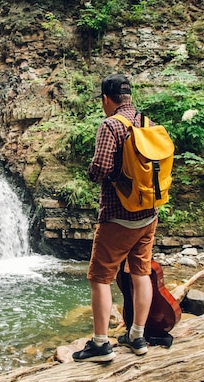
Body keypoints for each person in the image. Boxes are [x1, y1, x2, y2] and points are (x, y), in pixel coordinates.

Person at [72, 73, 158, 362]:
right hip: (149, 214)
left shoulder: (110, 125)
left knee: (99, 277)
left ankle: (100, 344)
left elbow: (101, 167)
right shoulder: (148, 123)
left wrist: (92, 171)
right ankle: (137, 336)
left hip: (119, 216)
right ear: (129, 97)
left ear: (106, 99)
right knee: (140, 273)